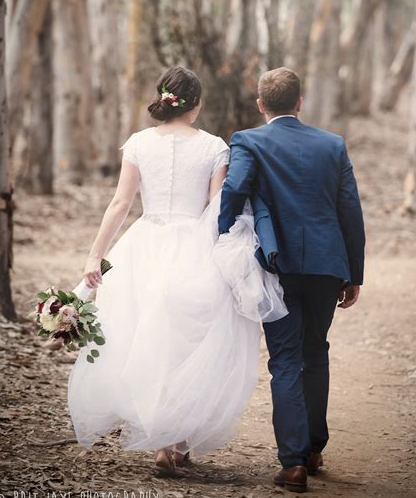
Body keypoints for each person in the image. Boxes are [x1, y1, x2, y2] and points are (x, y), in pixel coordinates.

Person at [68, 67, 287, 473]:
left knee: (147, 339)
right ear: (196, 105)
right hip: (194, 246)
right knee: (188, 343)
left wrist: (95, 256)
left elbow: (120, 204)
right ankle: (177, 441)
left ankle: (161, 439)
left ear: (164, 99)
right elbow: (220, 207)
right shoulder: (214, 147)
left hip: (145, 244)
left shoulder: (138, 143)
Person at [218, 67, 366, 494]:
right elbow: (349, 212)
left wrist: (222, 234)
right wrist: (353, 273)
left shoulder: (248, 141)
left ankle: (294, 462)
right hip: (326, 265)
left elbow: (235, 189)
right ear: (300, 102)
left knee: (284, 359)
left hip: (275, 264)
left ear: (260, 105)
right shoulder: (332, 145)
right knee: (315, 351)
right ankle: (315, 448)